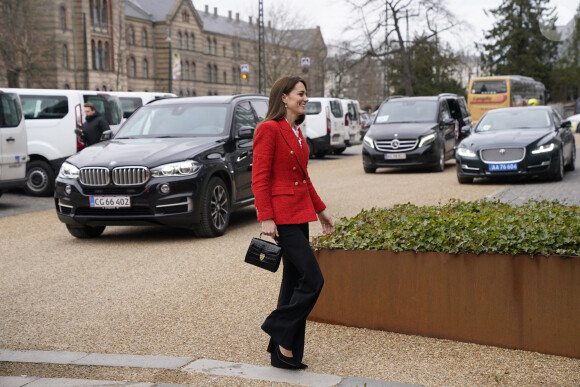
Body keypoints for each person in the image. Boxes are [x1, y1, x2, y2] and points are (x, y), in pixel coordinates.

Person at [251, 76, 334, 370]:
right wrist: (266, 216)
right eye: (301, 94)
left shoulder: (295, 132)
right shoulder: (268, 129)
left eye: (306, 94)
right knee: (313, 279)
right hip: (283, 217)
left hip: (300, 215)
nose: (306, 98)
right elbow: (259, 177)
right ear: (283, 97)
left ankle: (283, 353)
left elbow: (304, 177)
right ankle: (277, 326)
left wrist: (321, 211)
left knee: (293, 281)